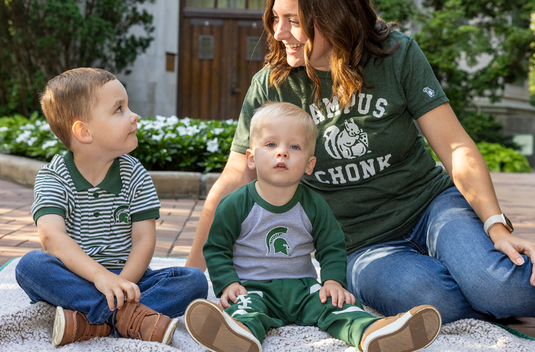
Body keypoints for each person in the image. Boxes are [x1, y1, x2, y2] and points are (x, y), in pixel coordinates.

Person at [185, 0, 535, 330]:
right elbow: (234, 180)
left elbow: (455, 147)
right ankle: (501, 290)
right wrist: (194, 282)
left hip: (431, 207)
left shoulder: (395, 55)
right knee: (438, 303)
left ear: (331, 15)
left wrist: (496, 226)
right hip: (358, 246)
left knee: (494, 284)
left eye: (292, 20)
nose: (279, 33)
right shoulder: (271, 87)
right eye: (275, 18)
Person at [185, 102, 441, 352]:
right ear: (251, 158)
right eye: (271, 144)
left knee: (338, 304)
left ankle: (372, 332)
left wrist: (332, 281)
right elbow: (217, 248)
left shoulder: (314, 204)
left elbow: (331, 246)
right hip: (252, 286)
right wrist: (228, 283)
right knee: (242, 308)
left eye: (294, 146)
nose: (282, 152)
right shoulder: (235, 204)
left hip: (303, 288)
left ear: (309, 164)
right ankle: (240, 336)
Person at [13, 68, 208, 347]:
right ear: (84, 131)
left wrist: (120, 287)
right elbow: (52, 238)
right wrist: (101, 279)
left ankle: (91, 323)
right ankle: (130, 320)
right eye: (119, 109)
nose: (134, 115)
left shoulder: (135, 174)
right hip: (75, 279)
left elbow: (144, 240)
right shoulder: (53, 177)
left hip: (130, 279)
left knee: (193, 280)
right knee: (30, 266)